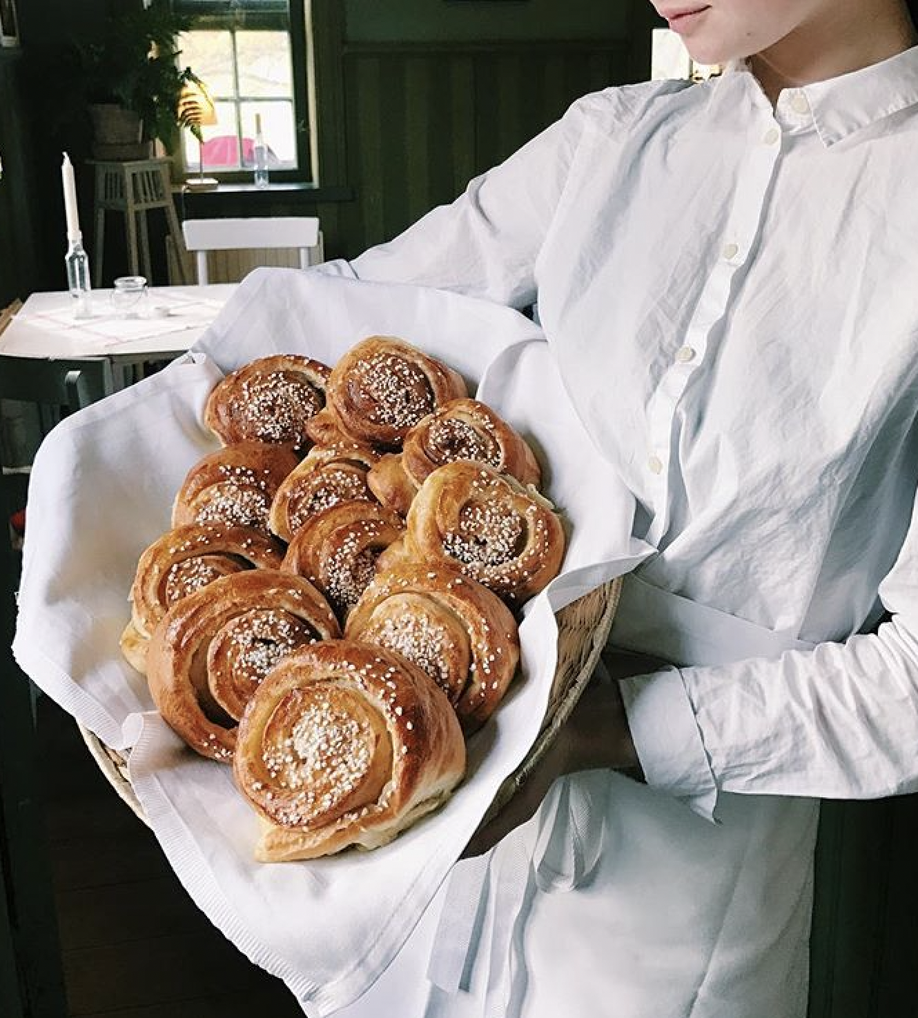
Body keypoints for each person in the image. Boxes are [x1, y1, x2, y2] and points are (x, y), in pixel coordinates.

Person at [316, 1, 918, 1015]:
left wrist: (610, 731)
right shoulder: (610, 141)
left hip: (683, 902)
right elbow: (342, 329)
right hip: (426, 823)